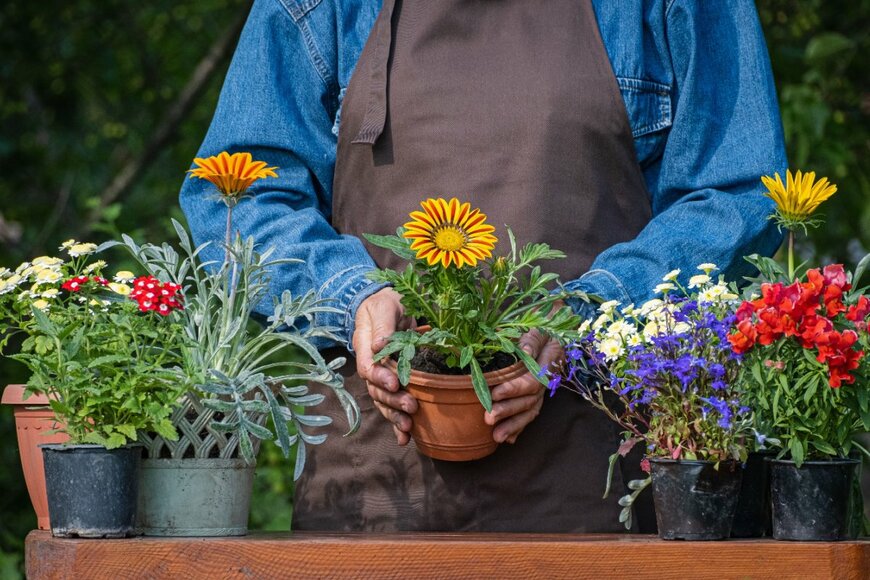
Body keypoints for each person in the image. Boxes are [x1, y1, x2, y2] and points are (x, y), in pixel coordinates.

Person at [180, 0, 786, 532]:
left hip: (599, 475)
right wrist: (353, 298)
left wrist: (589, 314)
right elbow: (238, 198)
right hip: (377, 484)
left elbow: (736, 193)